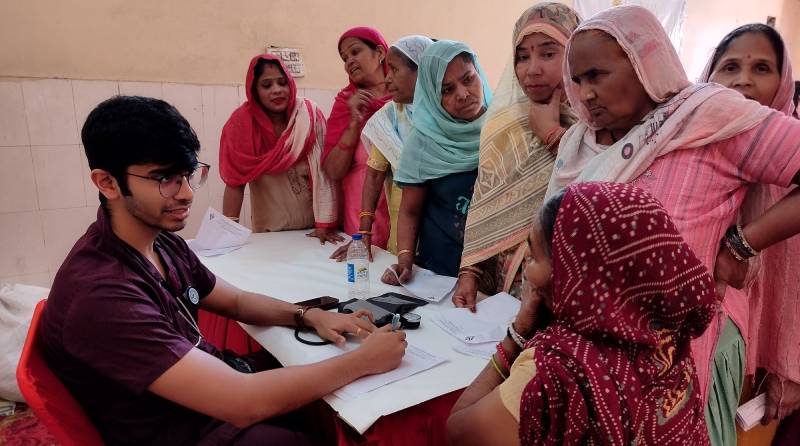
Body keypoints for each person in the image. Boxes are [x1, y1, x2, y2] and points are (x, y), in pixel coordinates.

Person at [38, 96, 406, 446]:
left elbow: (238, 302)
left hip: (203, 400)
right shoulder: (101, 294)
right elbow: (242, 402)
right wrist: (363, 361)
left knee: (327, 395)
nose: (186, 194)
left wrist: (311, 316)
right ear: (107, 182)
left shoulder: (160, 242)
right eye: (165, 178)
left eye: (189, 174)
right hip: (177, 429)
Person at [544, 6, 800, 445]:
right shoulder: (579, 142)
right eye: (578, 80)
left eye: (597, 75)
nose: (585, 94)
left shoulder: (708, 116)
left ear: (646, 61)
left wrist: (740, 244)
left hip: (668, 362)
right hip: (584, 355)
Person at [447, 182, 717, 445]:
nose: (527, 273)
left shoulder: (555, 377)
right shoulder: (668, 340)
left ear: (576, 276)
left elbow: (458, 432)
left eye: (533, 258)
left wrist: (516, 335)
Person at [702, 24, 800, 441]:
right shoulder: (696, 152)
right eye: (729, 67)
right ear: (708, 80)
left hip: (769, 372)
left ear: (783, 82)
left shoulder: (794, 155)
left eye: (761, 67)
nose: (743, 79)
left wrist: (793, 368)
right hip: (709, 350)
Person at [453, 2, 580, 312]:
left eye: (548, 54)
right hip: (507, 284)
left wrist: (551, 134)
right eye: (522, 57)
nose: (532, 69)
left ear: (577, 54)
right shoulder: (503, 125)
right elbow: (486, 203)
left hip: (572, 284)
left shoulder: (597, 123)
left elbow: (598, 191)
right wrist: (469, 271)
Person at [212, 54, 343, 354]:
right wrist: (227, 235)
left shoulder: (308, 116)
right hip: (272, 232)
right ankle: (276, 356)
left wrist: (327, 221)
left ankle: (316, 351)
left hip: (315, 231)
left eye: (282, 82)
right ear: (254, 90)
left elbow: (327, 172)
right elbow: (235, 181)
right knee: (279, 301)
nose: (277, 90)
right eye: (266, 85)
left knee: (319, 295)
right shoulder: (241, 124)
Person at [381, 40, 492, 281]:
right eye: (446, 90)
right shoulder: (423, 142)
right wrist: (404, 261)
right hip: (438, 273)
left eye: (468, 79)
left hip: (493, 274)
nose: (463, 94)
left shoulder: (500, 128)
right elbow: (410, 211)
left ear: (479, 73)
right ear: (431, 94)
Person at [330, 35, 434, 261]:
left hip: (443, 236)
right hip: (400, 237)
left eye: (394, 71)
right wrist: (364, 234)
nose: (387, 80)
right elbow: (374, 177)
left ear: (424, 72)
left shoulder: (449, 117)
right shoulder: (388, 117)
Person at [323, 27, 392, 249]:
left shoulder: (407, 98)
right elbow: (333, 171)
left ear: (380, 52)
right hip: (360, 212)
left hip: (404, 209)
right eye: (344, 58)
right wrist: (354, 122)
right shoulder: (345, 103)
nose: (349, 61)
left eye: (355, 52)